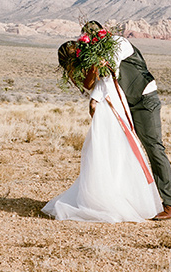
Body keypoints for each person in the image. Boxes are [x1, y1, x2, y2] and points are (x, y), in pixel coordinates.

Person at [42, 40, 163, 222]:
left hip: (110, 102)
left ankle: (116, 194)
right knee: (114, 148)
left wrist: (95, 97)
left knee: (112, 148)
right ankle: (113, 197)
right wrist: (96, 97)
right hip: (109, 104)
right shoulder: (95, 60)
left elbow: (100, 81)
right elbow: (96, 83)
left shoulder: (100, 57)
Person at [85, 21, 171, 220]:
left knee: (153, 148)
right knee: (126, 152)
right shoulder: (102, 53)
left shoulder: (119, 43)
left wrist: (95, 96)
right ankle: (134, 201)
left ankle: (170, 204)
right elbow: (103, 79)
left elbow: (110, 73)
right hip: (126, 104)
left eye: (93, 38)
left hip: (145, 101)